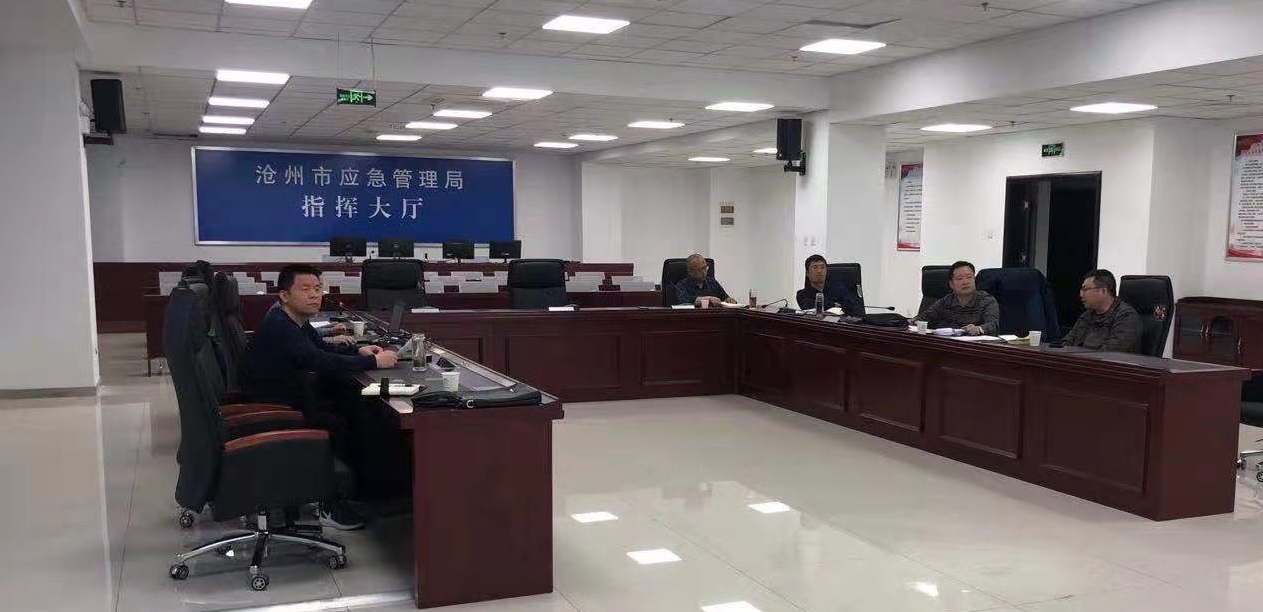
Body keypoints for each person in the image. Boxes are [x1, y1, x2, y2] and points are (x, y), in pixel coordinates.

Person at [240, 264, 398, 530]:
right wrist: (373, 362)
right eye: (305, 289)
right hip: (281, 413)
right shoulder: (281, 327)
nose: (315, 295)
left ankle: (367, 492)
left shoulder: (294, 321)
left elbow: (321, 348)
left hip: (293, 402)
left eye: (318, 288)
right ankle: (330, 504)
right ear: (284, 295)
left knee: (352, 410)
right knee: (350, 421)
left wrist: (357, 353)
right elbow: (318, 360)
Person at [1062, 269, 1141, 353]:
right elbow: (1066, 342)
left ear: (1103, 291)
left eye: (1085, 290)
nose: (1081, 295)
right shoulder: (1088, 315)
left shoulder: (1127, 317)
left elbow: (1108, 353)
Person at [917, 261, 999, 336]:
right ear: (951, 284)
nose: (965, 282)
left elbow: (993, 325)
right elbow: (924, 317)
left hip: (976, 345)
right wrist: (913, 321)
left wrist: (979, 329)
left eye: (969, 277)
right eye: (960, 278)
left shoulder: (987, 300)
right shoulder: (946, 301)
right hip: (950, 344)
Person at [795, 254, 864, 315]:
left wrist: (834, 306)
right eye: (815, 268)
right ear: (807, 273)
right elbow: (815, 308)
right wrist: (835, 305)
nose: (819, 271)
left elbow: (854, 309)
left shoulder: (839, 290)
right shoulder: (802, 295)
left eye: (822, 267)